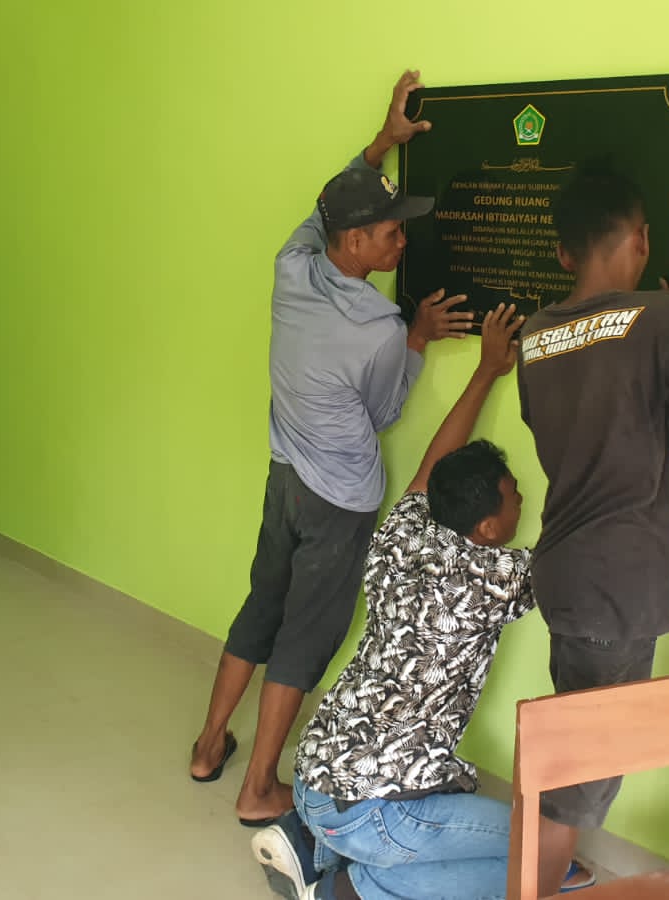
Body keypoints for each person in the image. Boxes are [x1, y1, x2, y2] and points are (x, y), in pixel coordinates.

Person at [189, 69, 476, 826]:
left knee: (261, 605)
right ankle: (258, 789)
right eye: (390, 232)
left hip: (284, 480)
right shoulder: (379, 328)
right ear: (355, 241)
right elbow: (383, 412)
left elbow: (326, 201)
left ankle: (208, 745)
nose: (401, 240)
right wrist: (419, 338)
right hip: (338, 501)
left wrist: (383, 141)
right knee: (305, 637)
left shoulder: (291, 266)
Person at [250, 305, 592, 900]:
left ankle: (312, 845)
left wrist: (486, 370)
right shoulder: (496, 577)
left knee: (507, 839)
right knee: (549, 860)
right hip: (374, 810)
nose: (522, 500)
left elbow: (437, 460)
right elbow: (575, 537)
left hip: (313, 776)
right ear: (489, 528)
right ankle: (350, 891)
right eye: (514, 496)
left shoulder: (407, 527)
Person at [515, 173, 669, 895]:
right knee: (573, 782)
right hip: (622, 584)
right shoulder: (667, 319)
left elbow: (565, 425)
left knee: (565, 746)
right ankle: (533, 884)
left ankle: (542, 867)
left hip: (566, 572)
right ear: (641, 239)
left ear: (564, 252)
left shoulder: (534, 335)